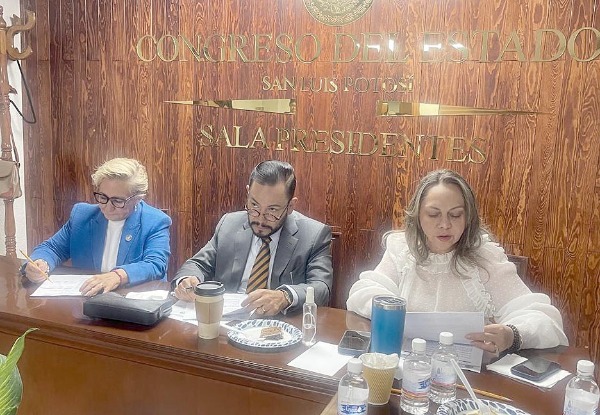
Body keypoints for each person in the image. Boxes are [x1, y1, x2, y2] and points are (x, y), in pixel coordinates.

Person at [347, 169, 568, 356]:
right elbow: (363, 291)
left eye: (455, 215)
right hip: (409, 365)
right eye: (433, 214)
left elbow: (544, 318)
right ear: (418, 216)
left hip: (470, 377)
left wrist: (512, 334)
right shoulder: (403, 249)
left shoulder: (486, 258)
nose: (445, 224)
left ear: (468, 217)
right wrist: (392, 311)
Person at [173, 160, 333, 316]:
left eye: (272, 210)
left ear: (290, 206)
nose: (260, 219)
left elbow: (321, 287)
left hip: (276, 323)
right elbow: (197, 264)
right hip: (226, 319)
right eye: (254, 206)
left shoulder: (313, 235)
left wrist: (285, 296)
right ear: (248, 193)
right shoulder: (229, 223)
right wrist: (187, 281)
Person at [22, 158, 171, 297]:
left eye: (118, 201)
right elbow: (53, 249)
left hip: (133, 302)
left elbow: (155, 265)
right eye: (103, 197)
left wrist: (117, 276)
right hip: (87, 299)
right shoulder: (82, 216)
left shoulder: (155, 221)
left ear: (138, 199)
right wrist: (41, 263)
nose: (107, 207)